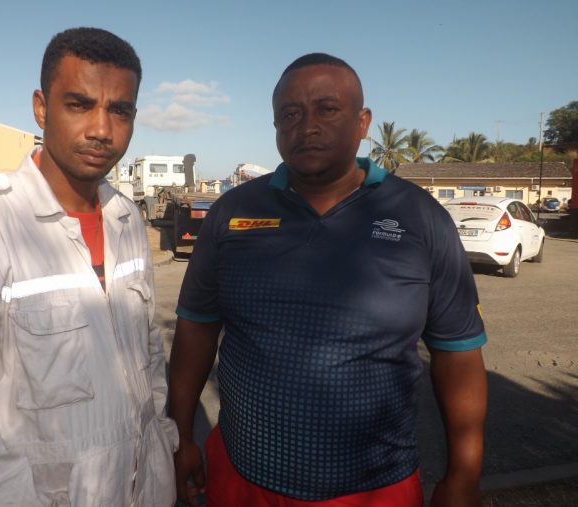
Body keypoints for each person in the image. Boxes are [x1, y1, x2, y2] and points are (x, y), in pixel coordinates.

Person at [169, 53, 487, 507]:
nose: (307, 127)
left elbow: (458, 352)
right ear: (276, 127)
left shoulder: (420, 217)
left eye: (327, 109)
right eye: (290, 115)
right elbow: (196, 327)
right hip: (242, 478)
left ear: (363, 122)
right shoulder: (232, 212)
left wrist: (464, 475)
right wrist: (181, 434)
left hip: (376, 489)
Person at [0, 27, 177, 507]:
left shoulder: (126, 219)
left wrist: (164, 445)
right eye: (79, 104)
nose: (102, 129)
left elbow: (147, 355)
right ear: (41, 108)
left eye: (120, 110)